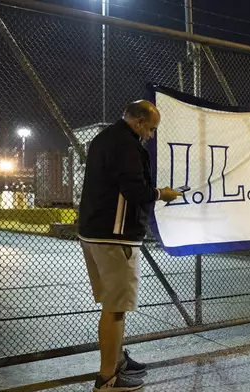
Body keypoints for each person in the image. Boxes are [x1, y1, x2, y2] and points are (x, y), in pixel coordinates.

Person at [78, 100, 181, 391]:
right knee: (116, 309)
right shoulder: (126, 144)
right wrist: (162, 193)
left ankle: (118, 360)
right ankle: (108, 378)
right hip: (114, 237)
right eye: (150, 128)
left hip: (95, 232)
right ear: (138, 122)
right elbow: (135, 190)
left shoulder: (106, 137)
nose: (151, 135)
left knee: (112, 306)